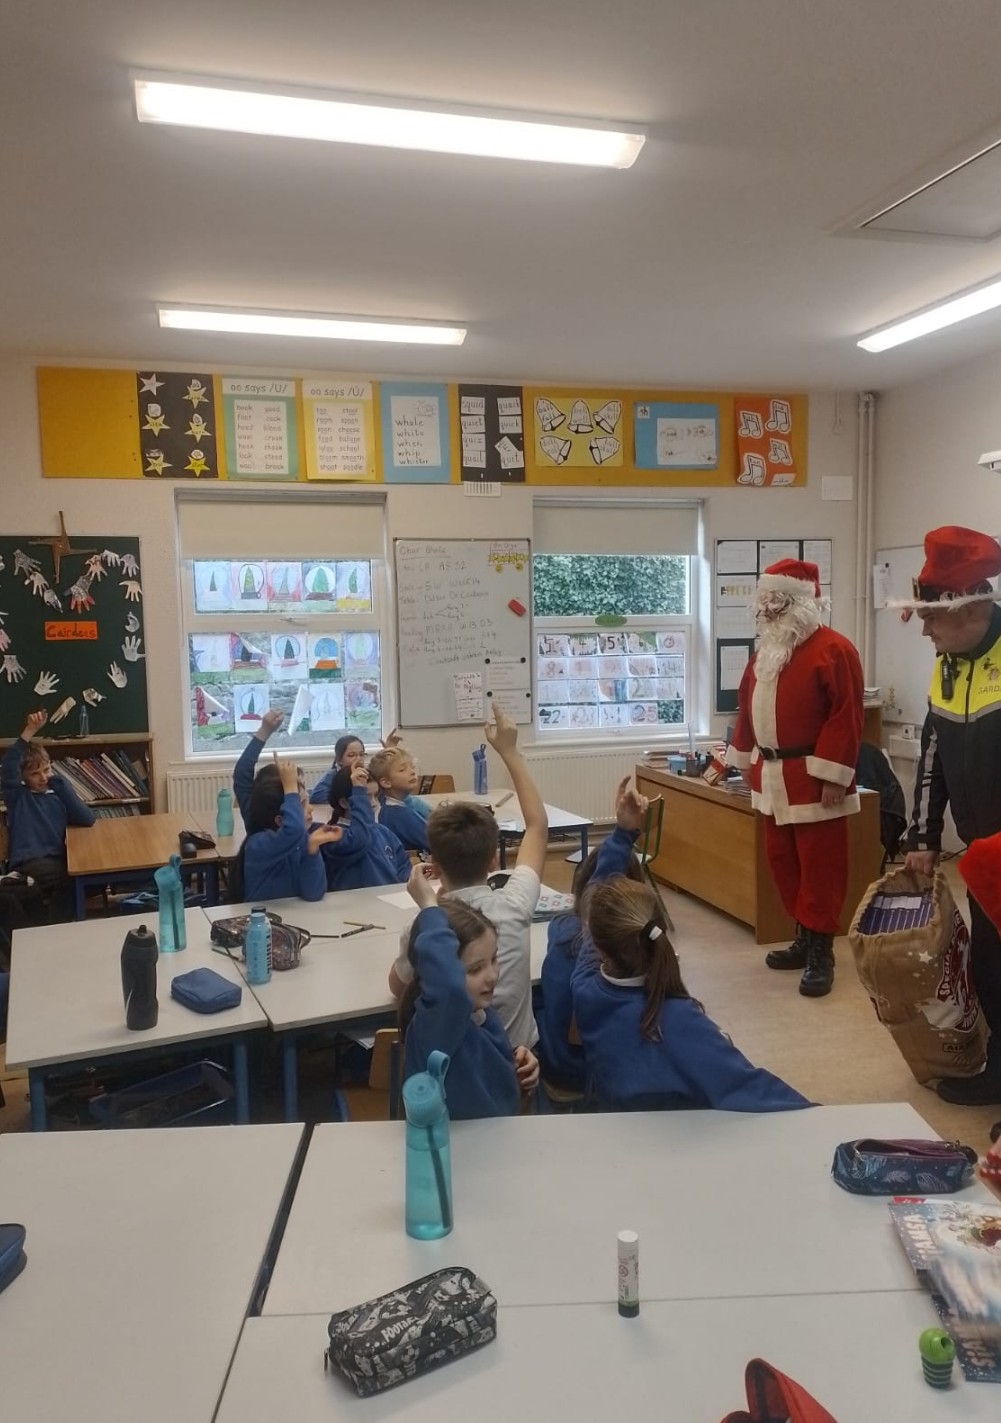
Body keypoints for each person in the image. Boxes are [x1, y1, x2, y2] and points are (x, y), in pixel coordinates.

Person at [725, 559, 864, 997]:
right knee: (783, 862)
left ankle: (822, 950)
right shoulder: (764, 656)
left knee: (821, 866)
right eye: (763, 601)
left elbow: (846, 717)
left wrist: (834, 775)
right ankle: (803, 937)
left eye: (776, 602)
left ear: (801, 603)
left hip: (814, 778)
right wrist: (742, 759)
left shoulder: (834, 650)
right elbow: (746, 709)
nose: (766, 610)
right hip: (772, 777)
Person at [900, 526, 1001, 1106]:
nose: (926, 632)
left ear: (968, 608)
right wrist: (923, 832)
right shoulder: (947, 665)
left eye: (931, 618)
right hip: (984, 859)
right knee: (990, 964)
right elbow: (932, 753)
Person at [571, 876, 811, 1113]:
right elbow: (747, 1088)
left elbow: (594, 928)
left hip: (616, 1122)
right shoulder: (676, 1019)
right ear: (659, 930)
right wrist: (816, 1114)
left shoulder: (584, 988)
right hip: (679, 1132)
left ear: (599, 947)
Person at [388, 706, 547, 1052]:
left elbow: (397, 988)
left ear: (433, 865)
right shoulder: (516, 903)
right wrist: (509, 752)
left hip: (458, 1067)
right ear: (494, 861)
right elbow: (537, 826)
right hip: (520, 1059)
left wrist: (432, 906)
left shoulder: (425, 928)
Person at [538, 776, 649, 1094]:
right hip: (607, 1074)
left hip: (563, 1069)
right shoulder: (646, 948)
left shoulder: (563, 929)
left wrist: (623, 833)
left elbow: (599, 893)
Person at [400, 866, 539, 1119]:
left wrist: (515, 1062)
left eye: (494, 959)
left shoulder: (481, 1012)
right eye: (475, 969)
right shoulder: (436, 1025)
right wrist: (429, 906)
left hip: (497, 1134)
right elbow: (449, 989)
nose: (492, 975)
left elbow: (482, 1066)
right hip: (455, 1142)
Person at [1, 709, 95, 920]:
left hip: (56, 864)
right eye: (34, 774)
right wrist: (29, 731)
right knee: (71, 882)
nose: (43, 778)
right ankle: (52, 927)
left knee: (84, 880)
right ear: (23, 777)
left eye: (46, 770)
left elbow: (87, 819)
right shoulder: (19, 797)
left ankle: (50, 925)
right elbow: (8, 766)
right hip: (30, 863)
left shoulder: (58, 794)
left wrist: (60, 785)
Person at [321, 763, 411, 890]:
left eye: (376, 795)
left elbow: (403, 866)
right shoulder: (333, 837)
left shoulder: (384, 832)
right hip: (356, 902)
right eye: (366, 797)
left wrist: (409, 881)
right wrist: (358, 791)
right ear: (344, 802)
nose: (374, 803)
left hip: (391, 898)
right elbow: (359, 841)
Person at [368, 745, 430, 853]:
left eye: (412, 767)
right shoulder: (400, 814)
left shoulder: (387, 805)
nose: (412, 772)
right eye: (402, 770)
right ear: (386, 782)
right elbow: (438, 842)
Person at [308, 734, 366, 807]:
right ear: (339, 760)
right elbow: (316, 797)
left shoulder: (366, 774)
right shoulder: (332, 775)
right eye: (351, 755)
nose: (358, 759)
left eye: (361, 754)